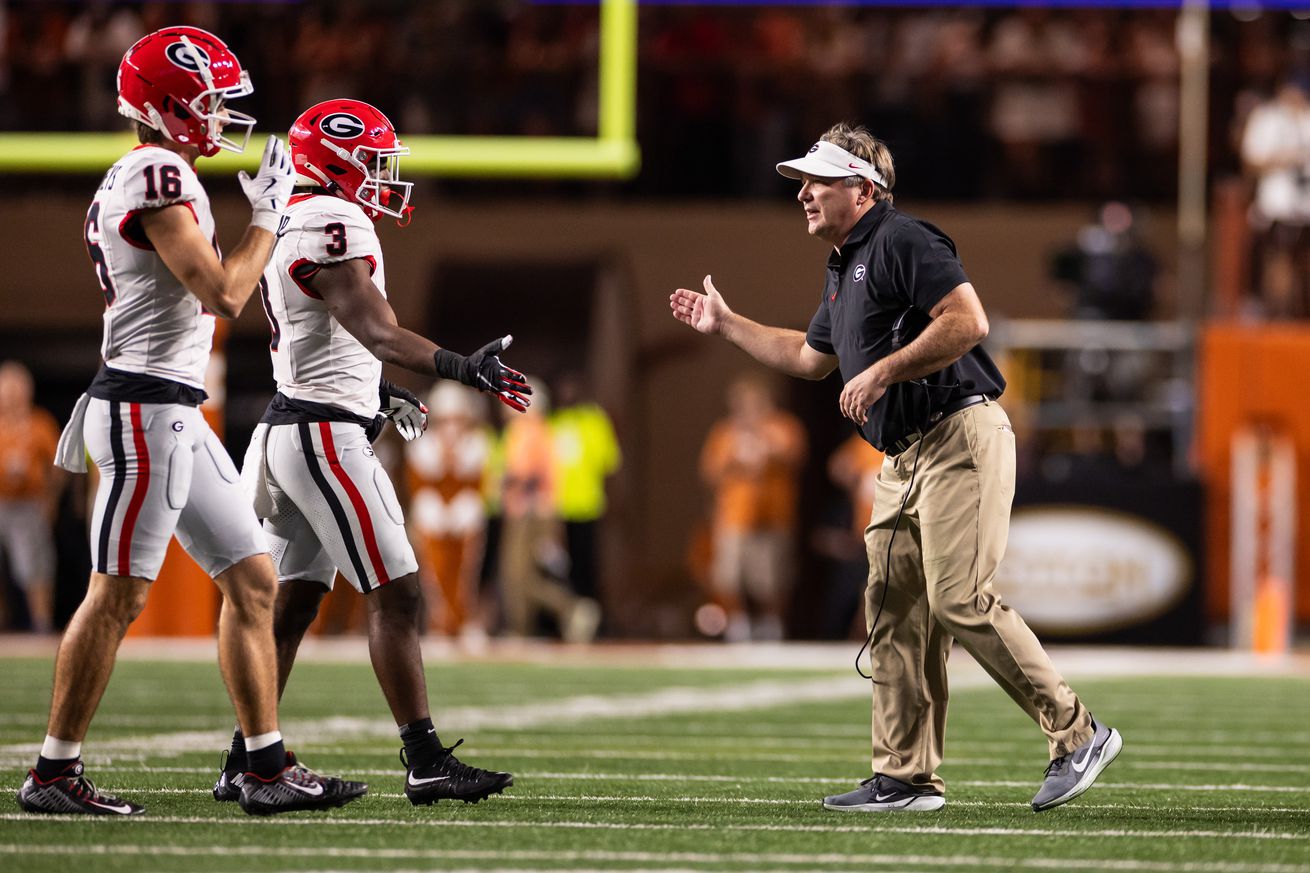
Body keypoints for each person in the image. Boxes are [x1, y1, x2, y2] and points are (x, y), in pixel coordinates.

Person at [669, 122, 1121, 813]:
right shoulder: (846, 262)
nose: (804, 193)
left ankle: (1077, 733)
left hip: (958, 433)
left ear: (864, 187)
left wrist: (883, 369)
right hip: (903, 453)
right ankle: (906, 776)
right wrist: (727, 324)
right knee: (895, 613)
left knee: (958, 597)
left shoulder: (902, 238)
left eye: (818, 180)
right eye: (802, 181)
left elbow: (968, 321)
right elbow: (807, 358)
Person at [17, 26, 366, 817]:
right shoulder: (158, 171)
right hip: (144, 412)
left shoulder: (149, 172)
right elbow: (226, 294)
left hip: (172, 410)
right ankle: (52, 770)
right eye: (205, 102)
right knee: (116, 598)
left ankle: (263, 766)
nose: (218, 116)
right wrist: (273, 218)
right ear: (166, 109)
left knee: (253, 580)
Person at [214, 98, 528, 808]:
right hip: (324, 437)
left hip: (298, 425)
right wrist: (460, 366)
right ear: (338, 161)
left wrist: (377, 391)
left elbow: (328, 338)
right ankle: (423, 758)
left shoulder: (292, 218)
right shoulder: (334, 219)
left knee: (292, 605)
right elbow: (378, 329)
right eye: (374, 161)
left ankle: (245, 757)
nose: (383, 177)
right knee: (398, 591)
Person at [698, 374, 806, 641]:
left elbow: (794, 457)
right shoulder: (726, 432)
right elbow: (710, 471)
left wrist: (764, 443)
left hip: (773, 516)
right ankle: (738, 625)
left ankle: (772, 625)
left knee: (771, 579)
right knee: (729, 576)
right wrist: (737, 453)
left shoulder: (782, 427)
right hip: (735, 516)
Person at [497, 378, 600, 643]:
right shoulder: (539, 430)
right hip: (537, 511)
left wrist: (506, 480)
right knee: (525, 576)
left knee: (516, 575)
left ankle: (558, 613)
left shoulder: (527, 430)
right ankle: (558, 613)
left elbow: (525, 474)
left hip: (528, 512)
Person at [405, 381, 492, 640]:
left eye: (457, 420)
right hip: (432, 519)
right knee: (434, 574)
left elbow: (478, 485)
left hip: (465, 518)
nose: (451, 427)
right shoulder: (421, 445)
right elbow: (418, 486)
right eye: (445, 420)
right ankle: (440, 623)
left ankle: (464, 621)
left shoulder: (477, 444)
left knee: (466, 574)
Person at [0, 361, 61, 633]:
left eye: (17, 387)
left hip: (29, 505)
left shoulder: (40, 423)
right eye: (7, 387)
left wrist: (50, 502)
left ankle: (41, 623)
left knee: (35, 565)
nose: (12, 394)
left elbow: (57, 468)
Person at [548, 372, 621, 603]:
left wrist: (614, 502)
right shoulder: (552, 423)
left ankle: (590, 611)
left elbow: (609, 463)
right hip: (555, 508)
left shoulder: (594, 420)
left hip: (587, 505)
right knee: (555, 566)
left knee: (587, 564)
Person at [1241, 77, 1310, 318]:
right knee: (1279, 261)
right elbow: (1251, 160)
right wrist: (1285, 158)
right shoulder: (1268, 118)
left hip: (1306, 205)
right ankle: (1280, 316)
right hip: (1279, 206)